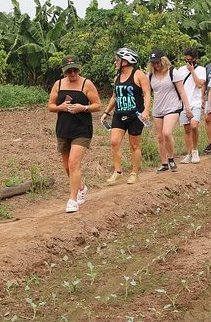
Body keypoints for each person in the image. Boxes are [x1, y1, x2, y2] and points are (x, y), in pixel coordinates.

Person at [48, 56, 101, 213]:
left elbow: (97, 105)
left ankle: (73, 200)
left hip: (82, 129)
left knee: (73, 163)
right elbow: (50, 106)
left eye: (75, 70)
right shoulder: (58, 84)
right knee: (66, 166)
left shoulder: (87, 84)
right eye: (69, 70)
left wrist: (83, 108)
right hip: (63, 129)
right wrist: (61, 107)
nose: (72, 73)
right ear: (64, 71)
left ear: (79, 69)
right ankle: (81, 187)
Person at [101, 48, 151, 185]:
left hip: (135, 115)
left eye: (117, 59)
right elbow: (114, 97)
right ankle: (118, 172)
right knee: (114, 142)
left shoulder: (139, 75)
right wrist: (106, 112)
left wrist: (146, 110)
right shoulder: (117, 77)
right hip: (119, 114)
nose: (115, 62)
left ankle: (134, 172)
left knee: (134, 145)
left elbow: (147, 93)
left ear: (125, 61)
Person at [148, 48, 194, 173]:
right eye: (154, 63)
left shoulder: (173, 72)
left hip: (172, 107)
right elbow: (146, 93)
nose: (156, 65)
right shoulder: (150, 75)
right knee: (160, 137)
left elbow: (182, 92)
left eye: (158, 62)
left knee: (167, 133)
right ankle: (164, 163)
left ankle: (171, 158)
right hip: (158, 108)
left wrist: (188, 108)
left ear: (163, 61)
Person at [177, 48, 206, 164]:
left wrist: (192, 71)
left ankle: (195, 151)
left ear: (195, 59)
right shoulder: (180, 70)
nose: (189, 62)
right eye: (187, 60)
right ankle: (189, 153)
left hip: (196, 103)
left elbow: (199, 84)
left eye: (191, 60)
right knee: (187, 129)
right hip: (184, 104)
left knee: (194, 125)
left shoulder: (201, 70)